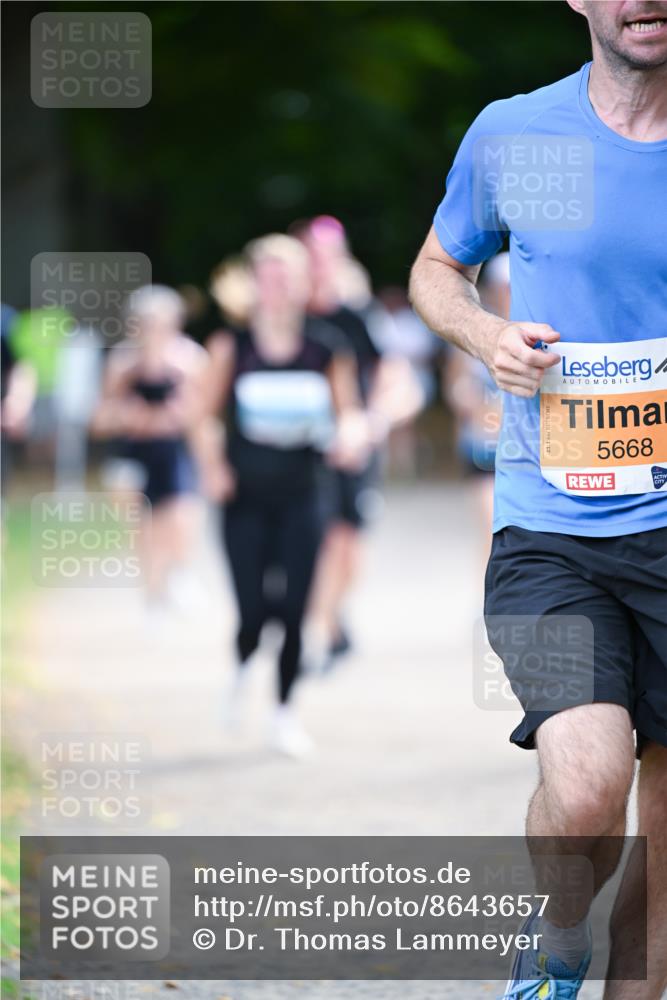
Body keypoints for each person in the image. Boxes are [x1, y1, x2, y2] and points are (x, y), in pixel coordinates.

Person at [409, 3, 667, 998]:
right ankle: (558, 933)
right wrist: (486, 340)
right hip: (552, 527)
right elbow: (439, 269)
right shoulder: (514, 132)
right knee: (588, 786)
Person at [204, 234, 366, 756]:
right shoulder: (233, 345)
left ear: (302, 284)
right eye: (266, 277)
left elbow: (350, 415)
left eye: (285, 277)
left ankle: (283, 713)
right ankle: (241, 668)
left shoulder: (326, 347)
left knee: (295, 609)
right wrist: (212, 466)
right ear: (252, 284)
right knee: (254, 610)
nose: (275, 287)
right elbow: (202, 416)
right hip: (244, 496)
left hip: (305, 494)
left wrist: (350, 437)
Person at [297, 216, 419, 666]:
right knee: (322, 539)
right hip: (305, 449)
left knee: (349, 543)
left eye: (327, 256)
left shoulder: (358, 315)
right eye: (311, 256)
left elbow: (398, 380)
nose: (319, 265)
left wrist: (371, 423)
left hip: (355, 445)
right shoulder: (290, 317)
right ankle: (318, 628)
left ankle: (333, 614)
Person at [92, 285, 209, 618]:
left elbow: (202, 411)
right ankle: (153, 593)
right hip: (134, 451)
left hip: (173, 449)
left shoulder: (189, 359)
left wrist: (178, 418)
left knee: (182, 515)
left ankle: (179, 571)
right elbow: (103, 414)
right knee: (143, 525)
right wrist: (129, 416)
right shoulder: (123, 361)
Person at [443, 254, 508, 555]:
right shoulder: (475, 331)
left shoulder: (542, 329)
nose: (508, 294)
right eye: (503, 288)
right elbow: (456, 390)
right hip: (485, 447)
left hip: (530, 446)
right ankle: (489, 599)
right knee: (491, 526)